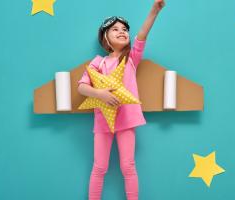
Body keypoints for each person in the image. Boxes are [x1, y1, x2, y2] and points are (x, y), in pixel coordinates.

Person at [77, 1, 165, 199]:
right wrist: (100, 94)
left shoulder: (130, 59)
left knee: (128, 166)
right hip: (102, 121)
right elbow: (82, 87)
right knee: (99, 167)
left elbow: (142, 35)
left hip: (126, 120)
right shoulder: (97, 62)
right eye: (115, 29)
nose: (122, 31)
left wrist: (154, 11)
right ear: (105, 38)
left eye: (124, 29)